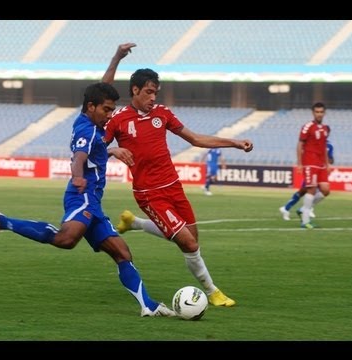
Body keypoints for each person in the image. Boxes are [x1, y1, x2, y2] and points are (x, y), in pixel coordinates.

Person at [0, 82, 175, 318]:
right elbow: (79, 158)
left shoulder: (88, 121)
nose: (110, 115)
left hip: (94, 202)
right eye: (106, 110)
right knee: (66, 239)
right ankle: (1, 220)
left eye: (112, 110)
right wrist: (78, 177)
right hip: (82, 196)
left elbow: (102, 88)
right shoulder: (87, 130)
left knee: (122, 253)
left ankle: (148, 306)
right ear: (91, 106)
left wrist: (117, 58)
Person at [102, 43, 254, 307]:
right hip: (149, 193)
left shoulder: (163, 113)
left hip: (173, 187)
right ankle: (212, 292)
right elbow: (96, 150)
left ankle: (135, 223)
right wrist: (113, 150)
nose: (153, 97)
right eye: (148, 92)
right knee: (189, 244)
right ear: (135, 90)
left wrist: (234, 142)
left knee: (191, 238)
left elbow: (194, 138)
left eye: (155, 92)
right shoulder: (118, 119)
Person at [293, 102, 331, 229]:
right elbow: (300, 144)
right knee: (312, 189)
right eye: (317, 112)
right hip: (310, 161)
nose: (319, 114)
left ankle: (304, 208)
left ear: (324, 113)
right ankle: (305, 221)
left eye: (321, 112)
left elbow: (324, 147)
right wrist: (299, 163)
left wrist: (327, 164)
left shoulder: (326, 128)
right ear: (313, 113)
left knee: (325, 190)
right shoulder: (307, 126)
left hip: (321, 164)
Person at [279, 136, 334, 221]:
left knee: (319, 190)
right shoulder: (311, 142)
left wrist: (328, 160)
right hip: (311, 168)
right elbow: (303, 152)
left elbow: (331, 159)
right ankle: (289, 208)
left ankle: (300, 208)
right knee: (305, 190)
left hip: (320, 170)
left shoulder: (329, 145)